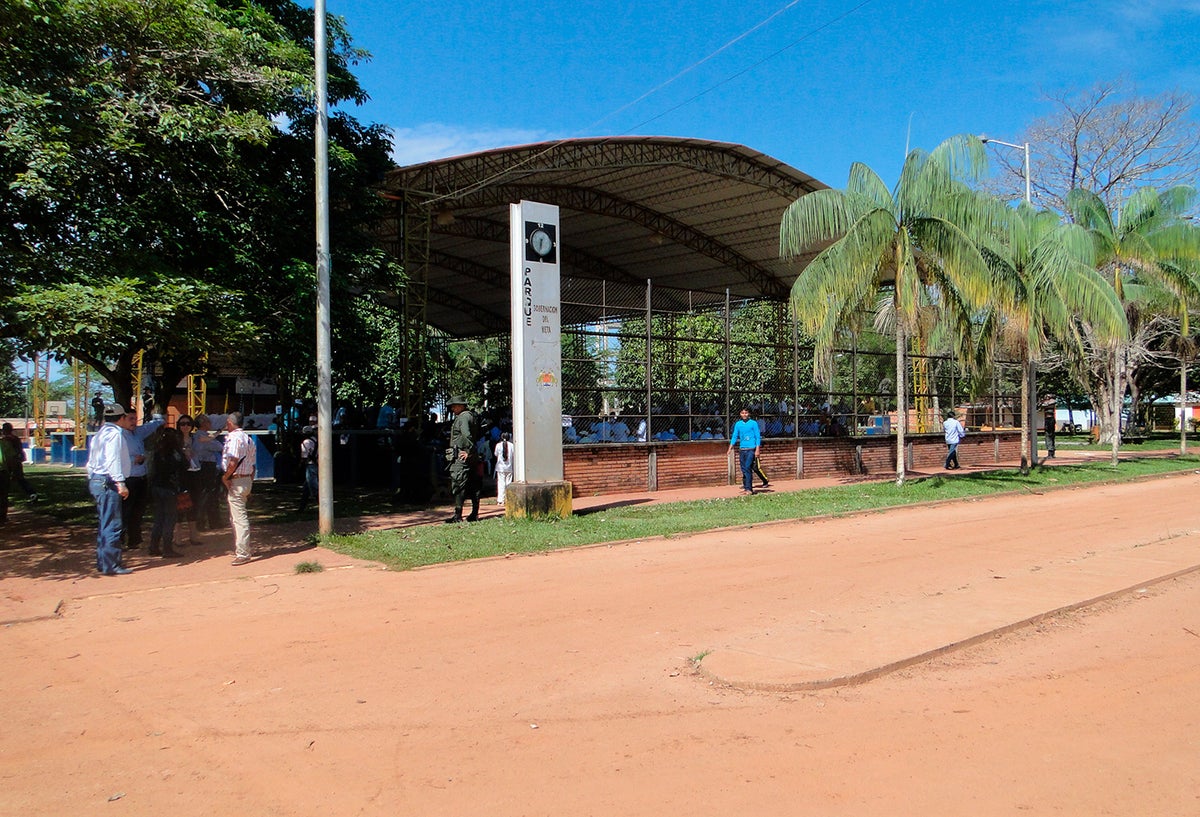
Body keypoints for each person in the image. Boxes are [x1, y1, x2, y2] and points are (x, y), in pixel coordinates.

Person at [85, 405, 136, 575]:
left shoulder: (99, 434)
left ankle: (104, 561)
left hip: (97, 479)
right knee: (113, 524)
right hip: (108, 481)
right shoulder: (115, 434)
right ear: (121, 417)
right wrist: (120, 482)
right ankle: (111, 564)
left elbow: (91, 461)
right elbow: (113, 459)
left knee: (104, 522)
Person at [120, 409, 164, 549]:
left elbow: (156, 423)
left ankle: (134, 539)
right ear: (123, 419)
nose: (133, 422)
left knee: (138, 509)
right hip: (128, 477)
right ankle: (120, 540)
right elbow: (116, 457)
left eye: (135, 419)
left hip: (141, 477)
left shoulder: (138, 432)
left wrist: (157, 415)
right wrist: (134, 459)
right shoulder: (119, 436)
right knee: (124, 511)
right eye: (130, 419)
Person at [221, 411, 257, 565]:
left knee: (239, 518)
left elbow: (233, 461)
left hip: (236, 480)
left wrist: (226, 476)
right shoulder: (248, 439)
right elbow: (253, 466)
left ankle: (243, 552)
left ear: (230, 422)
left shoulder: (235, 438)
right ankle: (243, 547)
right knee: (238, 516)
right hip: (246, 479)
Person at [146, 427, 186, 557]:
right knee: (170, 518)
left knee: (159, 517)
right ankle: (167, 548)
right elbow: (184, 466)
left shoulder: (158, 452)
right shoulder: (176, 453)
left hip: (157, 486)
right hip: (169, 487)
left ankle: (154, 545)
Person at [446, 396, 481, 523]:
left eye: (454, 406)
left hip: (462, 457)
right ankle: (474, 513)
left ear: (461, 406)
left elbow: (466, 434)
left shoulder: (463, 417)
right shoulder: (471, 416)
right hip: (469, 457)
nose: (452, 408)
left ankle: (458, 514)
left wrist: (469, 451)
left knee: (458, 483)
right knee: (473, 484)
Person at [191, 414, 224, 530]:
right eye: (208, 421)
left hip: (201, 467)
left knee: (203, 495)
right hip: (206, 467)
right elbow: (219, 446)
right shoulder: (203, 438)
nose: (210, 423)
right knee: (209, 495)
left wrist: (217, 433)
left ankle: (202, 522)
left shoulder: (197, 436)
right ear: (203, 424)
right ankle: (212, 522)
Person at [0, 422, 37, 503]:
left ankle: (31, 493)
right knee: (19, 479)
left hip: (10, 462)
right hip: (16, 461)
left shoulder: (6, 440)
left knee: (10, 479)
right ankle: (32, 493)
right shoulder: (15, 439)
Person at [729, 407, 761, 495]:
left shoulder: (753, 423)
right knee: (743, 469)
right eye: (742, 413)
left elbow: (757, 437)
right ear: (740, 414)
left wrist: (757, 450)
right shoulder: (738, 424)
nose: (744, 415)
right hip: (742, 449)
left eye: (746, 413)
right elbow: (735, 436)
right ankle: (746, 487)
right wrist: (730, 447)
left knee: (747, 468)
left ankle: (749, 489)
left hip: (751, 449)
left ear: (749, 414)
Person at [297, 425, 318, 511]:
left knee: (314, 488)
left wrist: (299, 466)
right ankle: (302, 507)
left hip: (310, 465)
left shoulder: (305, 442)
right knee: (306, 488)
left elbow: (304, 457)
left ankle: (323, 506)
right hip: (317, 464)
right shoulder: (316, 440)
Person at [493, 431, 514, 506]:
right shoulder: (512, 445)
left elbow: (495, 454)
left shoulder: (498, 445)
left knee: (501, 483)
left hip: (500, 467)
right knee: (508, 483)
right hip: (509, 467)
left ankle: (500, 500)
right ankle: (507, 499)